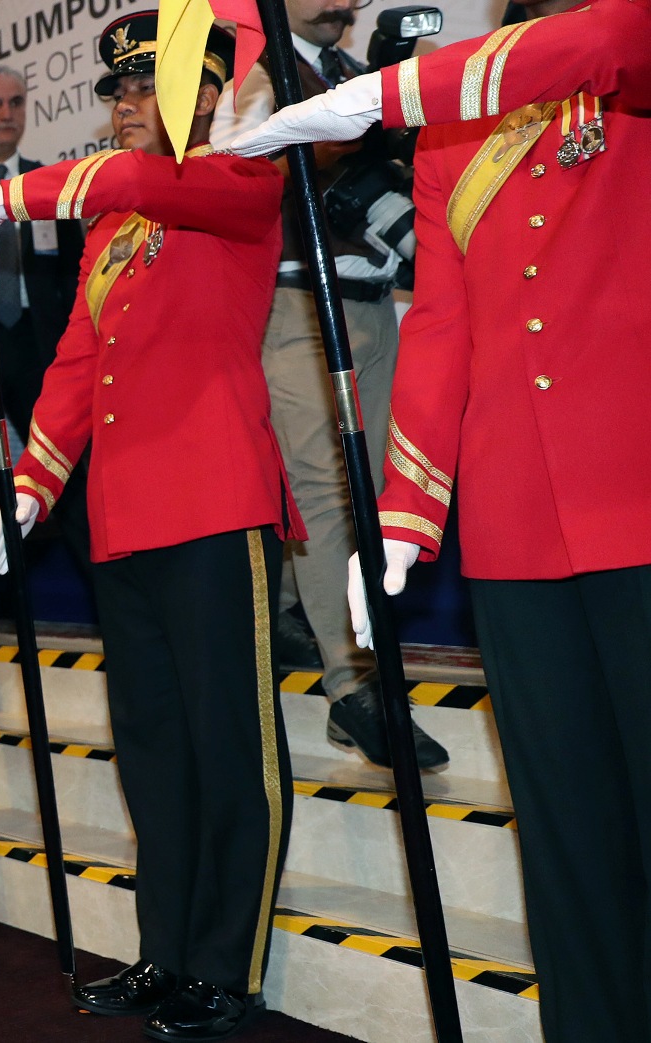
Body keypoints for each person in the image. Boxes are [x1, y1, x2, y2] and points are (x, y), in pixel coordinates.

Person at [232, 3, 651, 1034]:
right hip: (515, 524)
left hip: (635, 493)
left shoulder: (616, 55)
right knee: (565, 831)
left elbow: (606, 40)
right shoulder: (455, 133)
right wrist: (408, 512)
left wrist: (369, 96)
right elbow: (442, 324)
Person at [0, 15, 297, 1039]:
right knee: (151, 747)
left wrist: (15, 195)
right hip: (124, 516)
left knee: (228, 744)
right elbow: (76, 363)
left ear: (205, 95)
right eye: (118, 92)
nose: (124, 106)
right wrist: (30, 488)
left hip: (216, 502)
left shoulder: (238, 179)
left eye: (146, 88)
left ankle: (225, 964)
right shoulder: (115, 224)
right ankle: (166, 949)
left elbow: (143, 181)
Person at [209, 0, 448, 771]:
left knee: (374, 495)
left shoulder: (356, 70)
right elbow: (236, 172)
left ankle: (279, 607)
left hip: (375, 305)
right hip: (298, 305)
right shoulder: (256, 75)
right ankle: (356, 687)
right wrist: (332, 145)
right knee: (324, 495)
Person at [0, 66, 87, 478]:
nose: (6, 113)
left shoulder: (50, 182)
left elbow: (74, 273)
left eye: (16, 102)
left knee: (60, 470)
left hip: (39, 344)